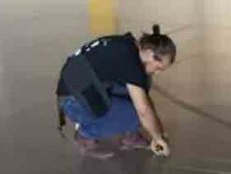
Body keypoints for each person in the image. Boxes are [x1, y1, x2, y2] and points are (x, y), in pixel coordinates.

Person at [56, 25, 175, 157]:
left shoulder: (128, 46)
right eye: (158, 68)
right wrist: (158, 138)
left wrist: (158, 131)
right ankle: (85, 135)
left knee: (142, 87)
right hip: (73, 101)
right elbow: (143, 111)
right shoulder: (130, 62)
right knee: (136, 114)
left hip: (81, 88)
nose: (157, 73)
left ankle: (131, 136)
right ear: (150, 54)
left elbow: (143, 98)